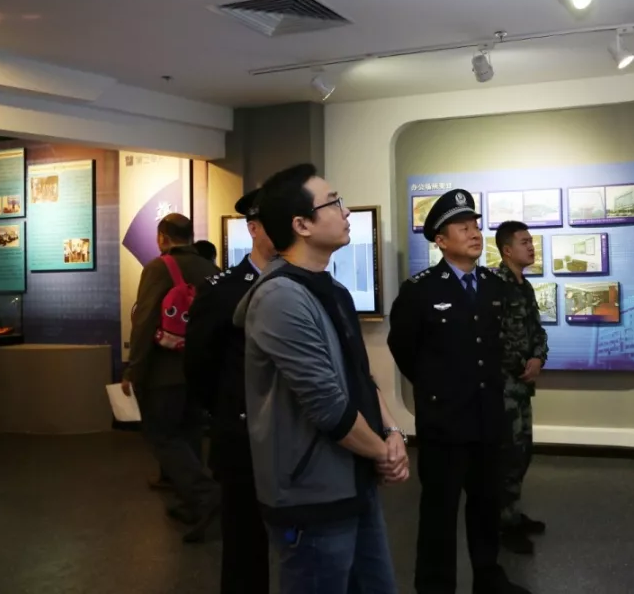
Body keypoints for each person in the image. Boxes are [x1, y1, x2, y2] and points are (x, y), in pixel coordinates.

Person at [235, 164, 407, 594]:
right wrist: (383, 454)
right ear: (302, 225)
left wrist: (392, 433)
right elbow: (327, 405)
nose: (346, 211)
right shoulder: (280, 298)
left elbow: (361, 377)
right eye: (334, 203)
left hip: (353, 480)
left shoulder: (333, 289)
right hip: (311, 495)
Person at [388, 189, 531, 594]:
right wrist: (439, 389)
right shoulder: (420, 290)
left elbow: (496, 347)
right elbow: (404, 349)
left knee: (486, 505)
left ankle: (488, 577)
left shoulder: (492, 285)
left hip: (488, 417)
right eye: (462, 227)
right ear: (441, 240)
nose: (474, 233)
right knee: (440, 511)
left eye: (475, 226)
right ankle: (435, 586)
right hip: (445, 421)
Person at [184, 190, 275, 594]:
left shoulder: (304, 282)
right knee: (244, 551)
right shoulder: (222, 290)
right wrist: (229, 411)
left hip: (296, 440)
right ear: (253, 229)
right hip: (243, 438)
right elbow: (200, 366)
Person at [122, 213, 221, 542]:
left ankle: (204, 494)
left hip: (165, 371)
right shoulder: (211, 269)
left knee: (161, 435)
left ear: (162, 237)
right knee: (190, 433)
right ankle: (191, 503)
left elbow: (145, 320)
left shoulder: (158, 268)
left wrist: (134, 369)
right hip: (201, 370)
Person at [493, 221, 549, 555]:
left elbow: (537, 331)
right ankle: (503, 524)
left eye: (531, 241)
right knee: (507, 456)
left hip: (522, 386)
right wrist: (521, 365)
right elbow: (495, 338)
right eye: (524, 242)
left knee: (522, 451)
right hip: (503, 388)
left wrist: (538, 358)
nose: (531, 247)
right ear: (507, 250)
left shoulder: (524, 287)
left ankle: (512, 513)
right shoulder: (495, 287)